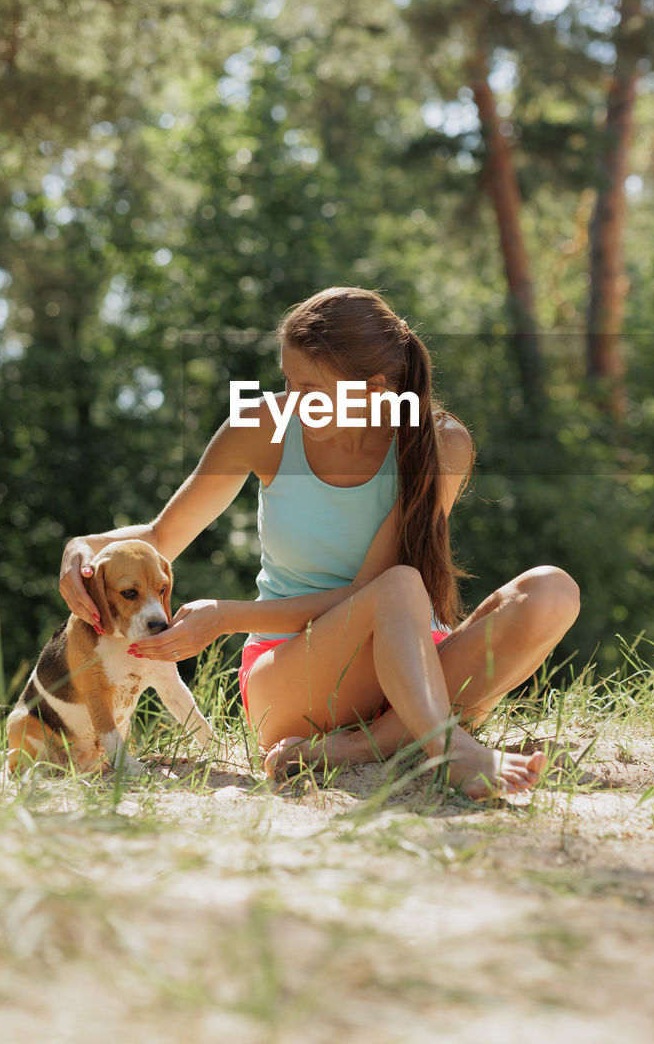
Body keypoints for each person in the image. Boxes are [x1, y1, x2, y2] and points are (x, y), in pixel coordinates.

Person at [59, 287, 579, 799]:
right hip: (294, 676)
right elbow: (160, 537)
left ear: (374, 389)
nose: (291, 401)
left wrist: (227, 614)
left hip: (413, 662)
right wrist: (80, 545)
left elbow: (371, 590)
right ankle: (449, 747)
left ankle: (365, 746)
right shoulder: (262, 425)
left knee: (553, 590)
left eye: (310, 390)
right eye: (287, 382)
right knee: (400, 586)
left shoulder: (440, 442)